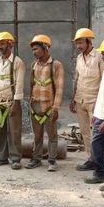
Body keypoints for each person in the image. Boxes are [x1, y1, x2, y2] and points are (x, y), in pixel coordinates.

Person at [26, 35, 64, 172]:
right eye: (32, 50)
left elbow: (59, 88)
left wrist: (55, 108)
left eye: (36, 49)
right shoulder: (34, 65)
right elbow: (31, 84)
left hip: (49, 106)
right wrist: (30, 101)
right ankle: (36, 158)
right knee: (37, 135)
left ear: (45, 48)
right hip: (35, 106)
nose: (34, 52)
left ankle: (52, 160)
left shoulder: (56, 65)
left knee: (52, 136)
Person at [82, 37, 104, 183]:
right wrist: (96, 114)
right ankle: (100, 172)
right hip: (100, 115)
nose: (102, 57)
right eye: (101, 54)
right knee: (96, 146)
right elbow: (103, 94)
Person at [70, 28, 104, 171]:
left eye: (80, 42)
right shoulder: (79, 58)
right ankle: (91, 159)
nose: (78, 46)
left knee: (98, 134)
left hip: (95, 101)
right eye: (76, 43)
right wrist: (73, 99)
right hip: (80, 100)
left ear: (88, 41)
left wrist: (102, 103)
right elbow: (76, 79)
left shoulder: (99, 57)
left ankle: (101, 162)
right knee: (85, 132)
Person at [0, 32, 25, 170]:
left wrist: (16, 104)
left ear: (10, 44)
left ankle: (15, 158)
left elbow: (20, 84)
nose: (0, 47)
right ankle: (2, 157)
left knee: (14, 131)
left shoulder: (17, 62)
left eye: (2, 44)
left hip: (12, 102)